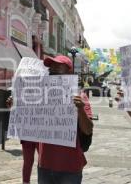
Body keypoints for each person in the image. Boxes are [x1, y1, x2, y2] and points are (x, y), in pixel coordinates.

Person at [38, 55, 93, 184]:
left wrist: (80, 109)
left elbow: (88, 129)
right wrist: (16, 107)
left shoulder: (80, 96)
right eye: (51, 71)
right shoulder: (40, 94)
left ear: (69, 72)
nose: (53, 73)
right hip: (45, 165)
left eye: (58, 70)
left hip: (70, 167)